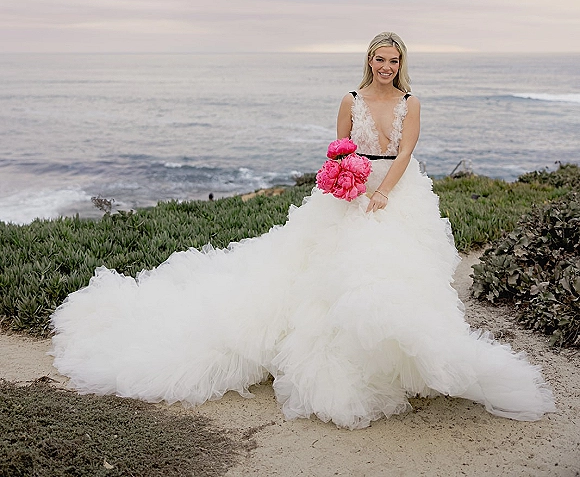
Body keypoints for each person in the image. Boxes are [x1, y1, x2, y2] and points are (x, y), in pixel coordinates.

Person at [51, 32, 555, 429]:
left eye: (393, 61)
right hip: (350, 193)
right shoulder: (351, 99)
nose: (386, 67)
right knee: (332, 276)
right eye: (379, 59)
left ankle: (410, 362)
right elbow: (338, 152)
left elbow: (406, 153)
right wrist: (353, 188)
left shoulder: (411, 103)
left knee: (401, 274)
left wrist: (383, 192)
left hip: (398, 192)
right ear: (369, 61)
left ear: (401, 64)